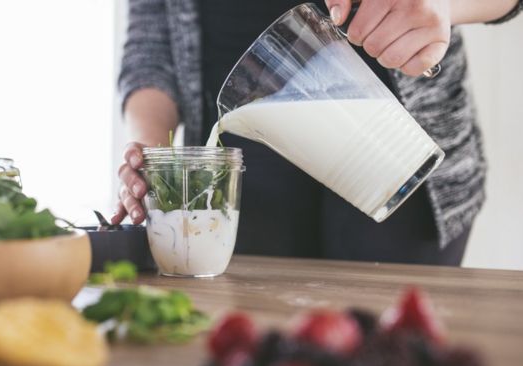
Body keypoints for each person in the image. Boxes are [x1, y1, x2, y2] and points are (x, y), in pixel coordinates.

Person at [110, 0, 522, 266]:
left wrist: (443, 5)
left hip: (397, 159)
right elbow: (151, 43)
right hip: (239, 179)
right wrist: (150, 152)